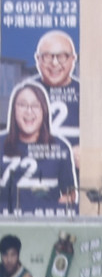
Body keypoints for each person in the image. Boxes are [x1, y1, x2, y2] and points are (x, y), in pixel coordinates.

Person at [0, 78, 72, 211]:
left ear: (44, 110)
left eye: (35, 106)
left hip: (46, 225)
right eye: (22, 105)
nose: (29, 111)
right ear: (13, 110)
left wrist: (53, 210)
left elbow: (70, 194)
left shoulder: (60, 147)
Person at [20, 30, 79, 145]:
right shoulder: (25, 92)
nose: (55, 63)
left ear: (73, 59)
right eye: (47, 56)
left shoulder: (85, 93)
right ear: (37, 59)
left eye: (62, 56)